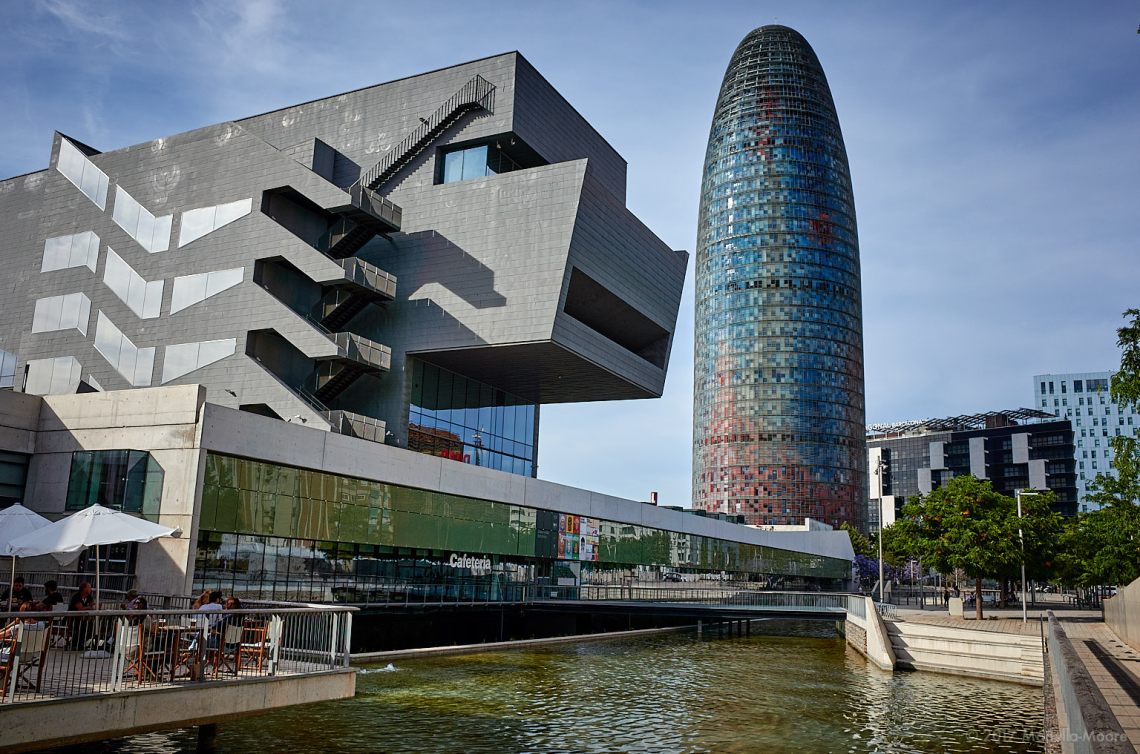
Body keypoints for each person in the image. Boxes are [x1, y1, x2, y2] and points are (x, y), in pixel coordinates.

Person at [67, 582, 96, 650]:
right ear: (84, 588)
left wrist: (92, 607)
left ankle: (82, 642)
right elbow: (80, 608)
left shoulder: (89, 597)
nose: (90, 589)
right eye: (89, 587)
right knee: (80, 626)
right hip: (73, 618)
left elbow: (92, 605)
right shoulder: (76, 597)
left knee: (90, 625)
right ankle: (75, 644)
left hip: (84, 618)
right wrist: (88, 607)